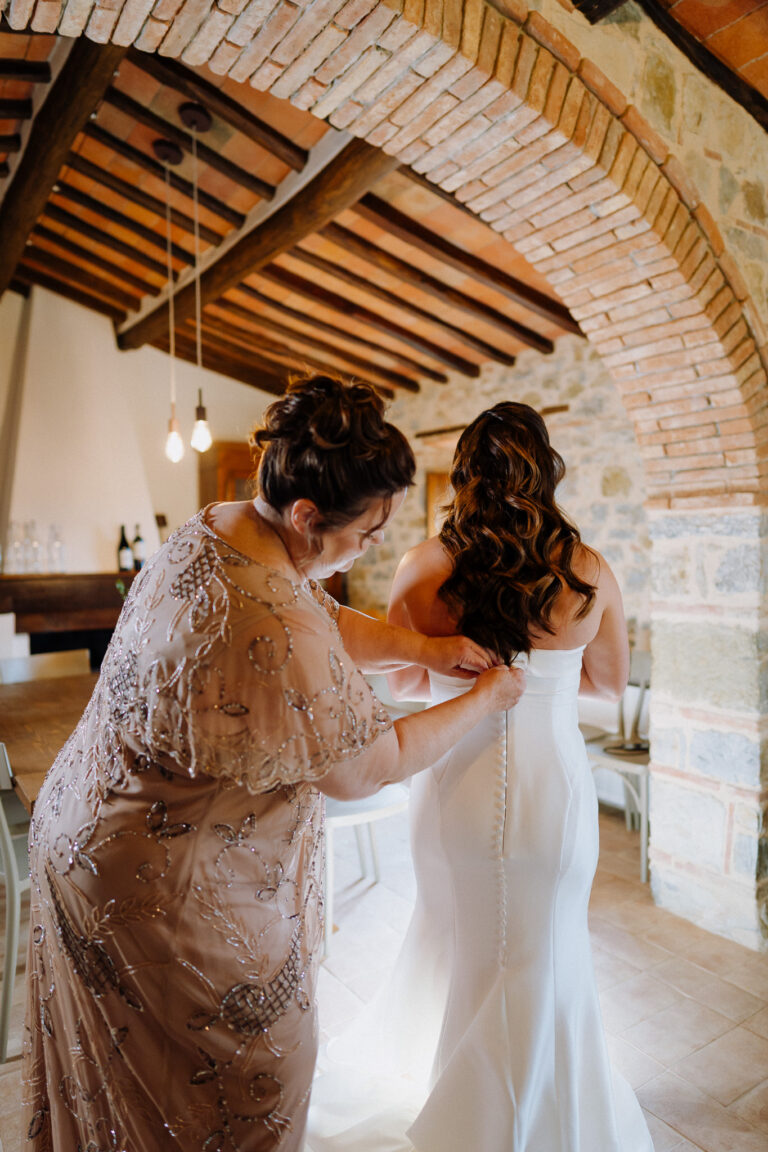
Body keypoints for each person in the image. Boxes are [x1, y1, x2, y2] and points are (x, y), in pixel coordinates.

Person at [22, 377, 525, 1152]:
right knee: (247, 1077)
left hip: (83, 832)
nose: (375, 546)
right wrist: (487, 699)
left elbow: (319, 611)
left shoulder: (223, 526)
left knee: (133, 1079)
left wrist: (422, 651)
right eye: (366, 534)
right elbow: (369, 765)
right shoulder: (272, 621)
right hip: (157, 883)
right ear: (307, 518)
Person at [305, 401, 654, 1152]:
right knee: (547, 944)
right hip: (552, 792)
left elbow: (403, 680)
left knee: (457, 934)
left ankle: (460, 1102)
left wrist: (466, 673)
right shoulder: (590, 569)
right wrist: (547, 677)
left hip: (454, 777)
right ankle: (539, 1103)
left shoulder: (427, 567)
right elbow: (609, 685)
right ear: (544, 470)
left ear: (465, 473)